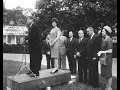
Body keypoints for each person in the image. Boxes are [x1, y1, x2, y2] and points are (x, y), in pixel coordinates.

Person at [97, 26, 113, 90]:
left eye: (103, 31)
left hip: (108, 59)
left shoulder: (109, 39)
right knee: (105, 73)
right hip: (104, 59)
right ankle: (107, 87)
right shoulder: (104, 39)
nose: (102, 32)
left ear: (106, 32)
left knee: (108, 73)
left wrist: (102, 52)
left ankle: (109, 87)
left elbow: (110, 50)